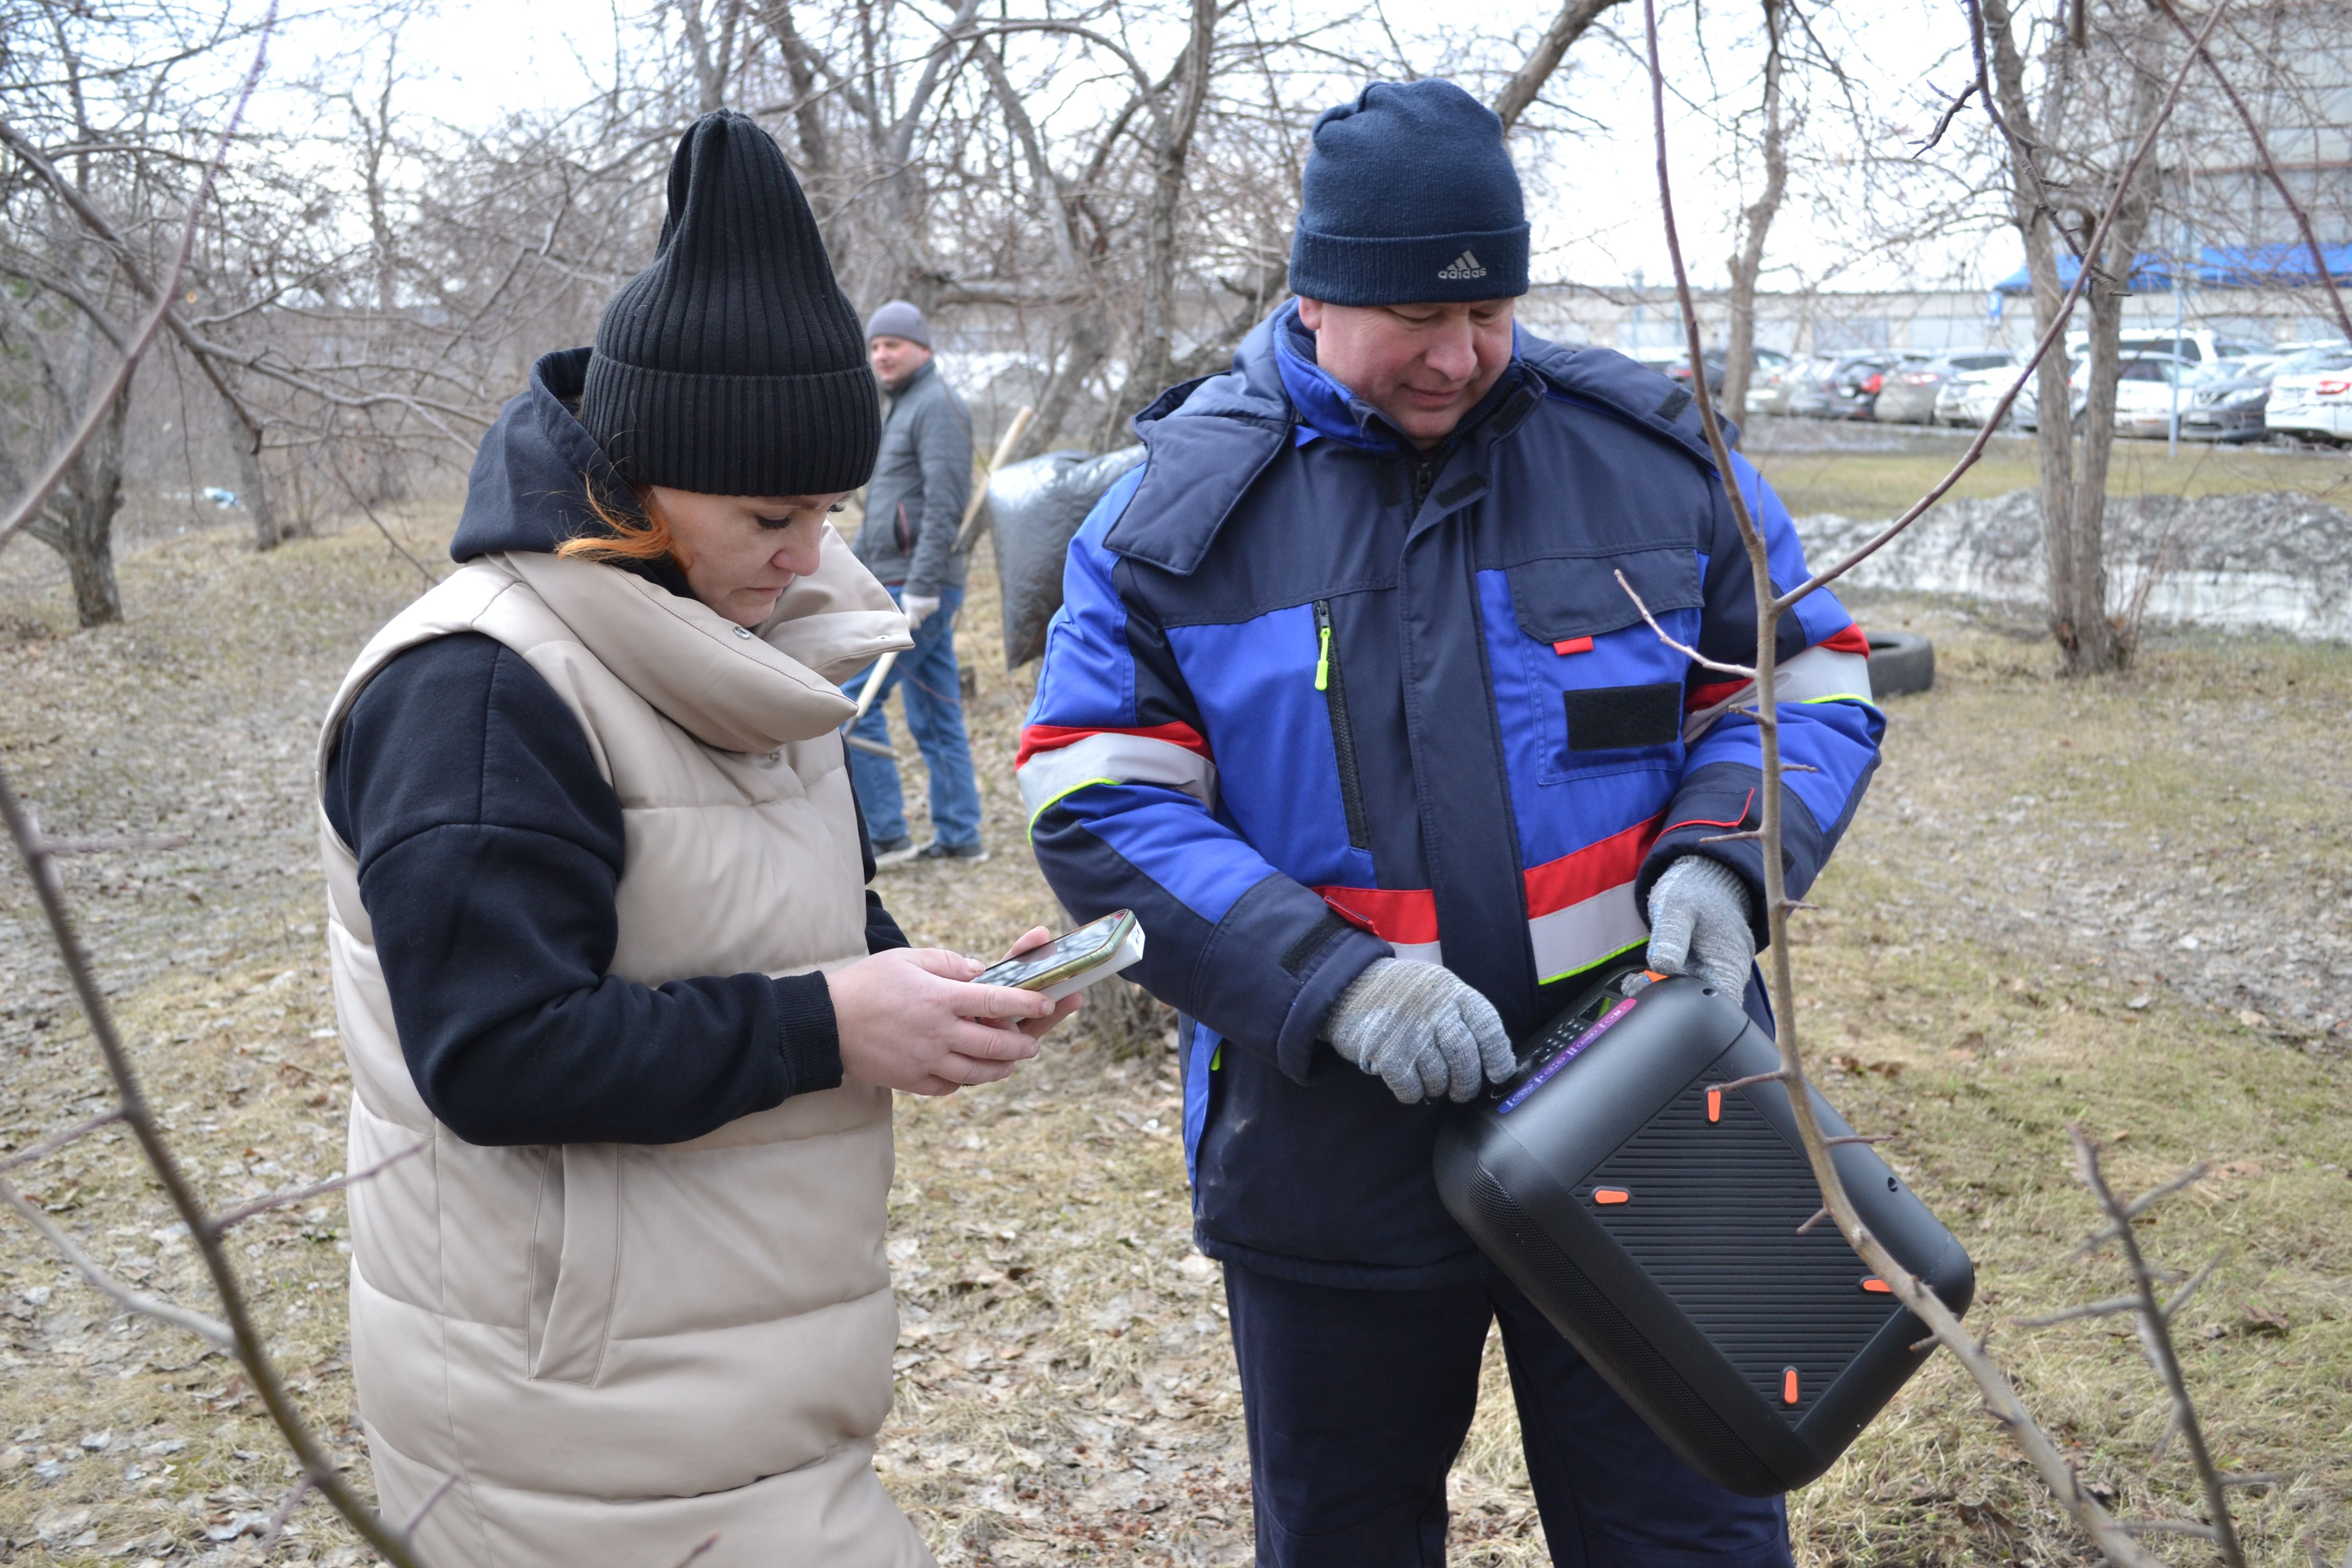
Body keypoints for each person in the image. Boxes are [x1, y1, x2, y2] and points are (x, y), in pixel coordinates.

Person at [1017, 81, 1883, 1567]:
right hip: (1329, 1144)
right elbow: (1098, 805)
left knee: (1699, 1535)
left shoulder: (1655, 457)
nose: (1459, 354)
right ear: (1311, 295)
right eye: (1415, 315)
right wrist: (1337, 979)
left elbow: (1803, 675)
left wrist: (1728, 860)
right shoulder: (1174, 517)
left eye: (1489, 314)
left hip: (1650, 1098)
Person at [314, 111, 1074, 1568]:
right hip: (570, 1419)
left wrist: (919, 986)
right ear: (637, 482)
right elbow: (490, 1053)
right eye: (773, 514)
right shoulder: (479, 691)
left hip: (740, 1379)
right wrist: (830, 1028)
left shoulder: (736, 639)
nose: (810, 555)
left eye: (832, 512)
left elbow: (775, 926)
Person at [845, 299, 987, 865]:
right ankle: (960, 835)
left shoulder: (937, 405)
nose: (882, 354)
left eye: (893, 344)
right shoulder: (902, 407)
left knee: (853, 701)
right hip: (896, 578)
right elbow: (886, 509)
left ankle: (886, 834)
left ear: (922, 348)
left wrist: (924, 588)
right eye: (876, 345)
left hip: (918, 584)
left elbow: (945, 503)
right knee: (936, 712)